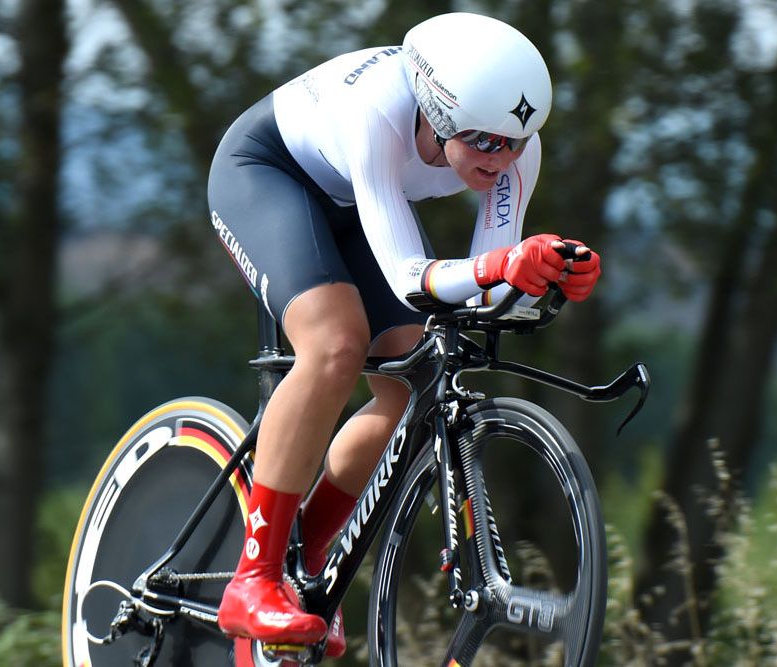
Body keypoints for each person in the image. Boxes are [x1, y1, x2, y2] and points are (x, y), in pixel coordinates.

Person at [207, 11, 602, 658]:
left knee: (408, 387)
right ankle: (252, 578)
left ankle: (305, 563)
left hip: (361, 202)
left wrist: (542, 273)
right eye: (480, 141)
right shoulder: (379, 112)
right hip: (268, 176)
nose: (498, 157)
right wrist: (499, 267)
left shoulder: (511, 147)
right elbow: (410, 274)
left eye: (514, 141)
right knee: (335, 345)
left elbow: (484, 289)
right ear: (438, 116)